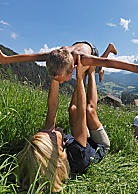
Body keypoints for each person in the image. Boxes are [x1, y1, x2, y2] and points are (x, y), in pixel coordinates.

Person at [17, 56, 109, 192]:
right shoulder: (77, 156)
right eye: (51, 134)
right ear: (59, 149)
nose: (51, 129)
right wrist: (80, 79)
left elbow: (52, 107)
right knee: (90, 110)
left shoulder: (51, 149)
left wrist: (55, 75)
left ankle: (84, 71)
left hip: (79, 141)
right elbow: (82, 111)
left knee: (72, 109)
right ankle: (91, 72)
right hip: (97, 145)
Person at [0, 41, 138, 84]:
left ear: (72, 69)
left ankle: (109, 47)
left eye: (61, 79)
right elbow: (30, 56)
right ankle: (100, 67)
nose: (59, 81)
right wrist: (7, 59)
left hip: (90, 49)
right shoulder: (52, 56)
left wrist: (136, 68)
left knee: (95, 68)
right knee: (94, 70)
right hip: (74, 46)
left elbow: (109, 63)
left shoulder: (83, 59)